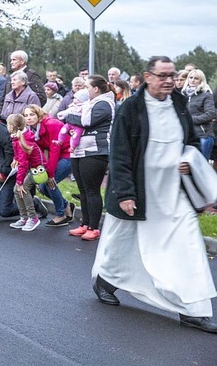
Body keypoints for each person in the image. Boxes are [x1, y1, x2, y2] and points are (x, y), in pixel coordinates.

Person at [91, 55, 217, 334]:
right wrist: (124, 193)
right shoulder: (131, 108)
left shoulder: (181, 104)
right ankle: (106, 281)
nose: (169, 81)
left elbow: (192, 141)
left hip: (174, 192)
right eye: (163, 76)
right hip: (139, 190)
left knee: (188, 246)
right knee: (124, 242)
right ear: (148, 77)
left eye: (172, 75)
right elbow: (120, 154)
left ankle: (193, 309)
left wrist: (191, 160)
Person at [61, 75, 115, 241]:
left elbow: (87, 122)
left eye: (87, 87)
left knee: (92, 190)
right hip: (79, 150)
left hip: (96, 151)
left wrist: (68, 117)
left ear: (96, 89)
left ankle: (94, 227)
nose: (85, 90)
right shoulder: (89, 103)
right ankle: (85, 223)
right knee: (83, 190)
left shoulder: (104, 103)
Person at [22, 105, 74, 226]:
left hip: (68, 155)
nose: (29, 118)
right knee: (43, 186)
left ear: (38, 114)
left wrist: (50, 173)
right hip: (55, 156)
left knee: (50, 182)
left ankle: (61, 215)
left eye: (32, 114)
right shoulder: (32, 129)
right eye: (26, 115)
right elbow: (38, 150)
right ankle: (66, 205)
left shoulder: (51, 124)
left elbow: (55, 149)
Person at [5, 114, 42, 231]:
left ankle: (33, 217)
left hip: (37, 169)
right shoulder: (17, 137)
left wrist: (20, 181)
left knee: (23, 188)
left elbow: (23, 163)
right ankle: (24, 217)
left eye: (8, 124)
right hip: (31, 168)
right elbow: (19, 155)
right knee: (16, 190)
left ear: (12, 126)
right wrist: (15, 159)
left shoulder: (23, 139)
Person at [182, 68, 215, 159]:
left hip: (203, 135)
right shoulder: (182, 95)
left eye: (196, 78)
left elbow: (210, 114)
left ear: (201, 81)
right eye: (190, 77)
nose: (192, 80)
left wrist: (190, 120)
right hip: (187, 136)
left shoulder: (206, 95)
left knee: (201, 165)